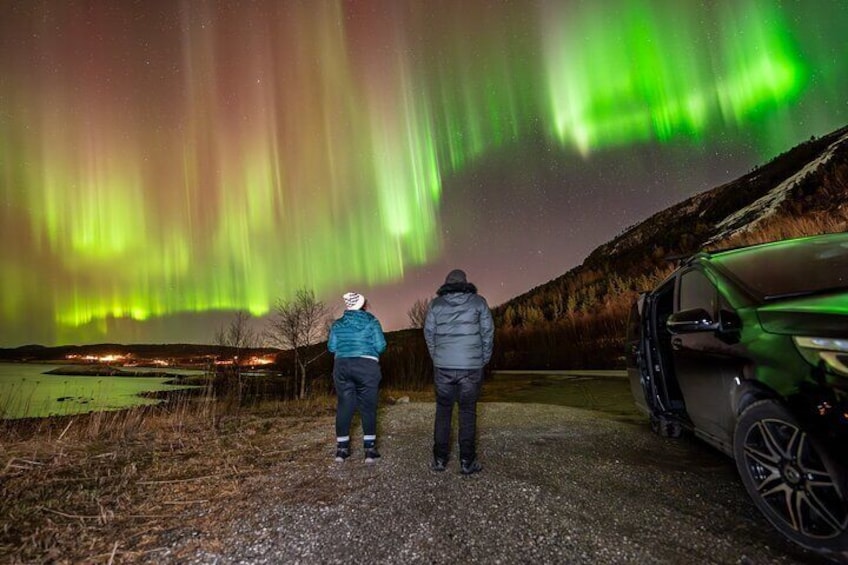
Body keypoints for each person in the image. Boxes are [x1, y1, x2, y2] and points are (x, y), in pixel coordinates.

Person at [424, 269, 494, 475]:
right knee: (467, 412)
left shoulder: (435, 305)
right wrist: (483, 358)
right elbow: (488, 333)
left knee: (443, 410)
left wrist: (437, 356)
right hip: (471, 366)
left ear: (446, 284)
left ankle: (439, 459)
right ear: (465, 283)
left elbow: (429, 334)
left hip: (443, 366)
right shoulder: (478, 302)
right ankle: (467, 461)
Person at [327, 292, 387, 464]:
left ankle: (342, 450)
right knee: (368, 407)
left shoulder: (337, 325)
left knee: (344, 406)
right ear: (362, 305)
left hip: (342, 367)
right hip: (366, 367)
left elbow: (331, 347)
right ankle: (369, 450)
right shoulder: (372, 321)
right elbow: (381, 346)